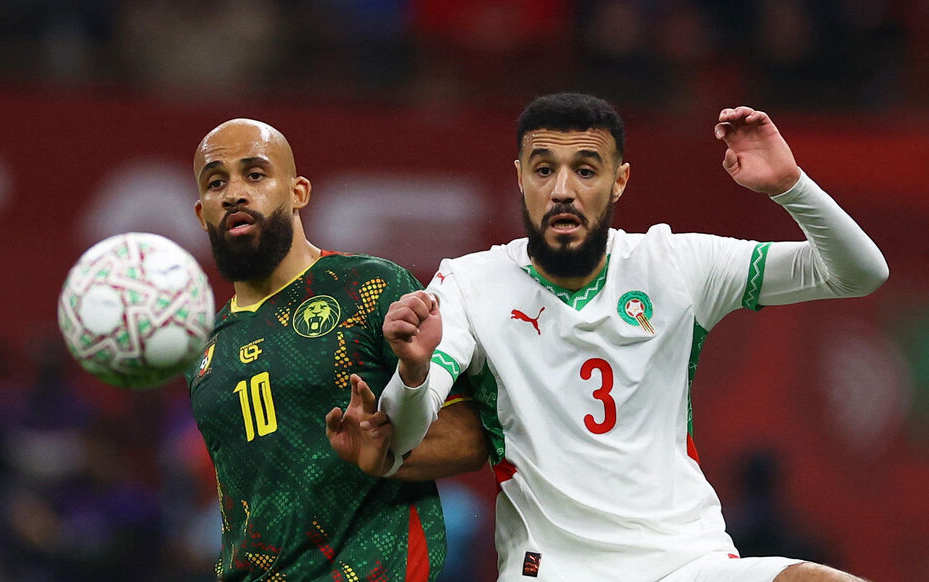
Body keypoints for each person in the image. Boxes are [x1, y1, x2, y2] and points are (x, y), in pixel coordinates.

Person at [332, 94, 888, 581]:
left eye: (585, 170)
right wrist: (413, 372)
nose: (563, 190)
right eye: (544, 170)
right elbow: (403, 436)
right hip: (551, 568)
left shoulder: (676, 264)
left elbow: (858, 273)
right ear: (521, 177)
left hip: (686, 562)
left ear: (619, 179)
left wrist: (791, 187)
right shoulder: (468, 283)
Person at [185, 118, 486, 581]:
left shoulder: (370, 287)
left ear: (298, 192)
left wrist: (386, 454)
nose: (234, 194)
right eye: (216, 183)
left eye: (255, 174)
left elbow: (469, 439)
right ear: (202, 213)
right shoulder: (206, 350)